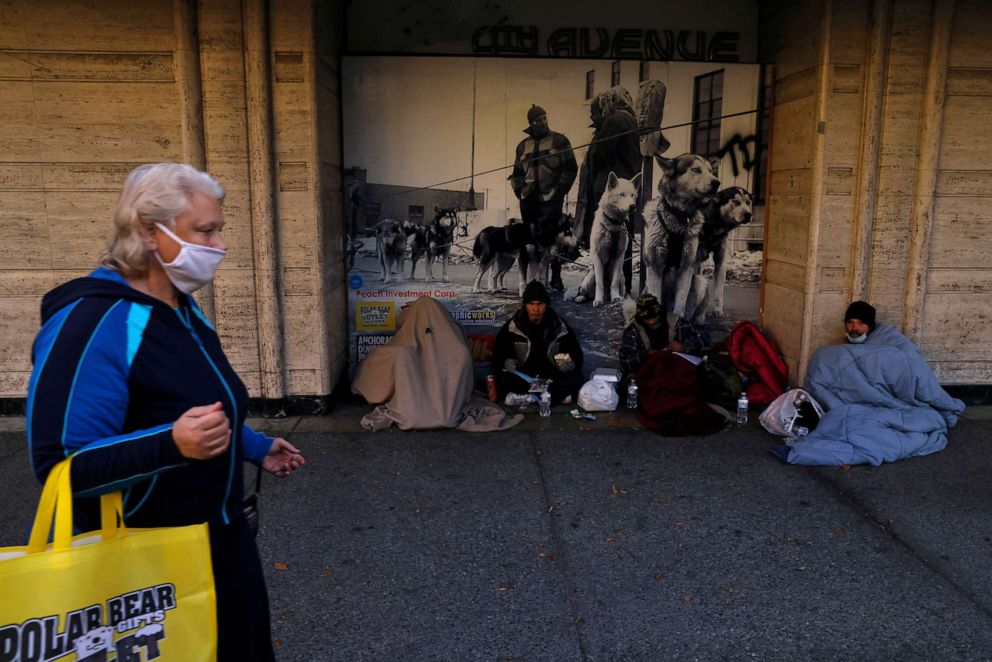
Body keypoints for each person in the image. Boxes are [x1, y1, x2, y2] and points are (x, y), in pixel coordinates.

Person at [25, 163, 305, 661]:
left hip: (220, 538)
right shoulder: (95, 321)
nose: (220, 245)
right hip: (143, 563)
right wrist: (170, 446)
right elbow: (60, 469)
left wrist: (254, 446)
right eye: (206, 230)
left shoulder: (182, 306)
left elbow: (198, 406)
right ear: (151, 233)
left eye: (220, 229)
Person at [574, 87, 643, 293]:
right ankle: (624, 286)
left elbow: (602, 153)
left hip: (612, 189)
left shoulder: (615, 121)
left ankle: (603, 288)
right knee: (623, 240)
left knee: (603, 240)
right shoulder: (631, 120)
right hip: (627, 187)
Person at [508, 105, 578, 290]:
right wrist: (519, 191)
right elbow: (516, 172)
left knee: (552, 239)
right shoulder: (522, 145)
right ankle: (532, 281)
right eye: (538, 120)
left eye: (544, 118)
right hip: (529, 199)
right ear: (530, 123)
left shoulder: (560, 140)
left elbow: (571, 168)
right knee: (530, 241)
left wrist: (560, 190)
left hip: (551, 198)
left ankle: (555, 276)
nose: (543, 122)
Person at [492, 280, 584, 405]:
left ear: (546, 305)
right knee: (503, 378)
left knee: (576, 379)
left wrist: (567, 363)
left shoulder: (558, 325)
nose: (536, 309)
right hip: (526, 376)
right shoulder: (513, 326)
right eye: (531, 304)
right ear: (525, 305)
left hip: (551, 376)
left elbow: (576, 354)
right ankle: (553, 397)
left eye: (540, 304)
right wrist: (507, 361)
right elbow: (498, 355)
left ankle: (529, 398)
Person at [618, 293, 682, 377]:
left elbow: (700, 341)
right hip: (648, 374)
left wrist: (684, 346)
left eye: (654, 317)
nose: (652, 322)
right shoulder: (633, 330)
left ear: (659, 312)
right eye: (647, 319)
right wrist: (646, 355)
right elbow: (625, 360)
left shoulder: (675, 321)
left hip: (675, 371)